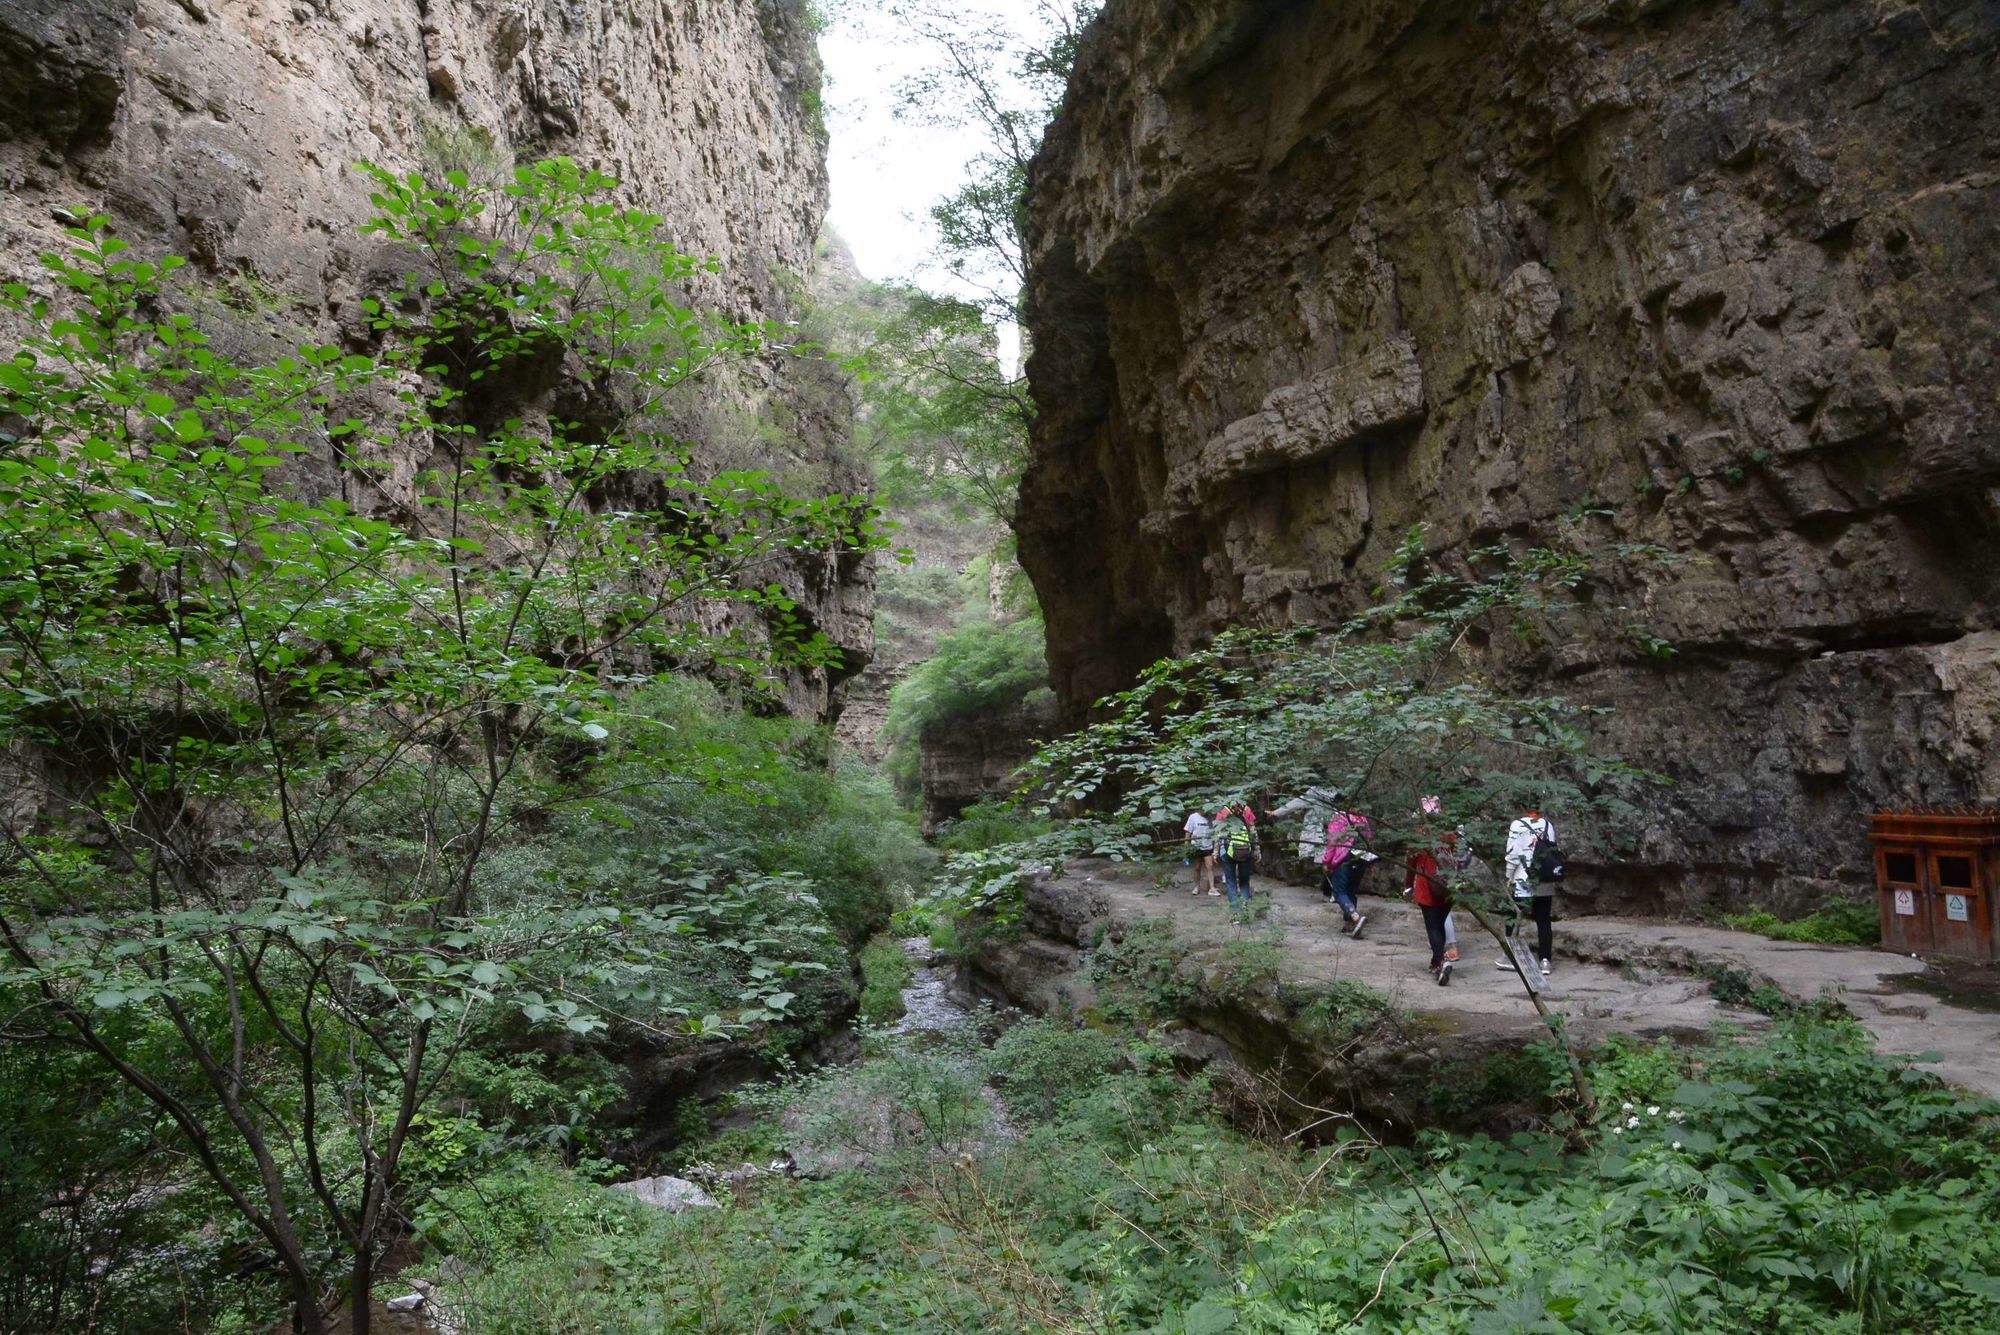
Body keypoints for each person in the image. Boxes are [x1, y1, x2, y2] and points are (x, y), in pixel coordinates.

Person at [1496, 805, 1558, 976]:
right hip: (1543, 879)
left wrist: (1508, 876)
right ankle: (1545, 960)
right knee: (1543, 920)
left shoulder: (1517, 825)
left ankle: (1511, 956)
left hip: (1522, 878)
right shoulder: (1548, 825)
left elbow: (1513, 854)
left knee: (1512, 915)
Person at [1404, 832, 1454, 985]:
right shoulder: (1451, 836)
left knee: (1433, 928)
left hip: (1428, 889)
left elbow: (1410, 866)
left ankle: (1442, 960)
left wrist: (1408, 886)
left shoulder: (1419, 839)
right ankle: (1435, 961)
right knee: (1440, 926)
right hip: (1449, 888)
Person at [1271, 783, 1343, 882]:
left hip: (1315, 832)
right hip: (1331, 833)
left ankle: (1333, 889)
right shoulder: (1335, 795)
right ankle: (1334, 890)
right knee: (1331, 861)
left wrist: (1275, 812)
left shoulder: (1313, 794)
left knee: (1324, 862)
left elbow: (1295, 804)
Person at [1320, 804, 1373, 937]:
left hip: (1344, 857)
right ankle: (1350, 923)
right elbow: (1368, 838)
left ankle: (1355, 917)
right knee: (1351, 890)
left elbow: (1333, 841)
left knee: (1339, 891)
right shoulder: (1363, 820)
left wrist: (1326, 862)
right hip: (1362, 857)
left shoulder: (1340, 818)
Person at [1213, 801, 1259, 909]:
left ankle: (1235, 913)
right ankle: (1246, 911)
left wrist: (1215, 852)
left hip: (1227, 850)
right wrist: (1257, 850)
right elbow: (1253, 832)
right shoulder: (1246, 809)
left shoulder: (1223, 810)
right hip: (1245, 850)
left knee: (1231, 882)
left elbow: (1218, 833)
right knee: (1244, 881)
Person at [1182, 809, 1218, 896]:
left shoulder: (1211, 818)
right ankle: (1196, 886)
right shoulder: (1193, 817)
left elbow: (1215, 833)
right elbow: (1188, 832)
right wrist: (1186, 846)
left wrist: (1215, 847)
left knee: (1210, 866)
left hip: (1208, 846)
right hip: (1196, 846)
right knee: (1197, 868)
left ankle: (1212, 888)